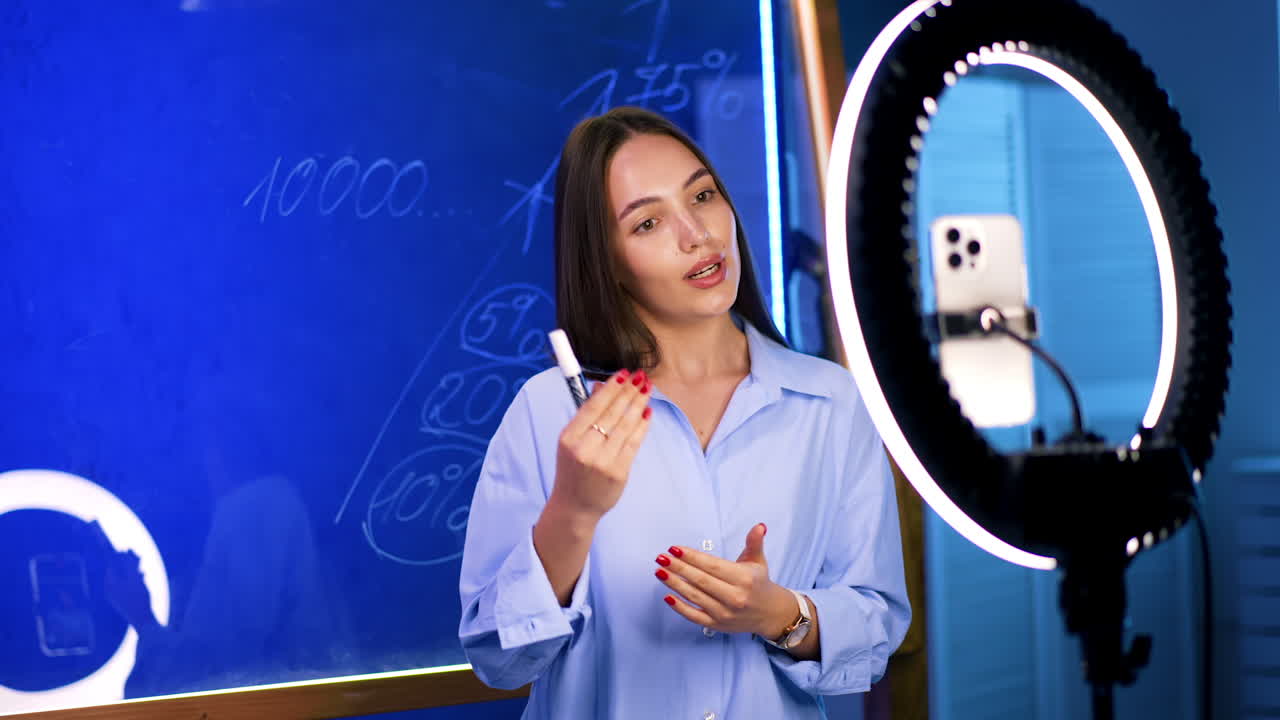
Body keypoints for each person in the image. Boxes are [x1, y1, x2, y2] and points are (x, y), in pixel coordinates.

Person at [458, 106, 909, 719]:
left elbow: (878, 625)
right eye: (647, 223)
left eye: (702, 195)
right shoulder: (550, 413)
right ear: (606, 260)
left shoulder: (830, 401)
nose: (697, 234)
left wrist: (779, 613)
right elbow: (498, 658)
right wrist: (573, 511)